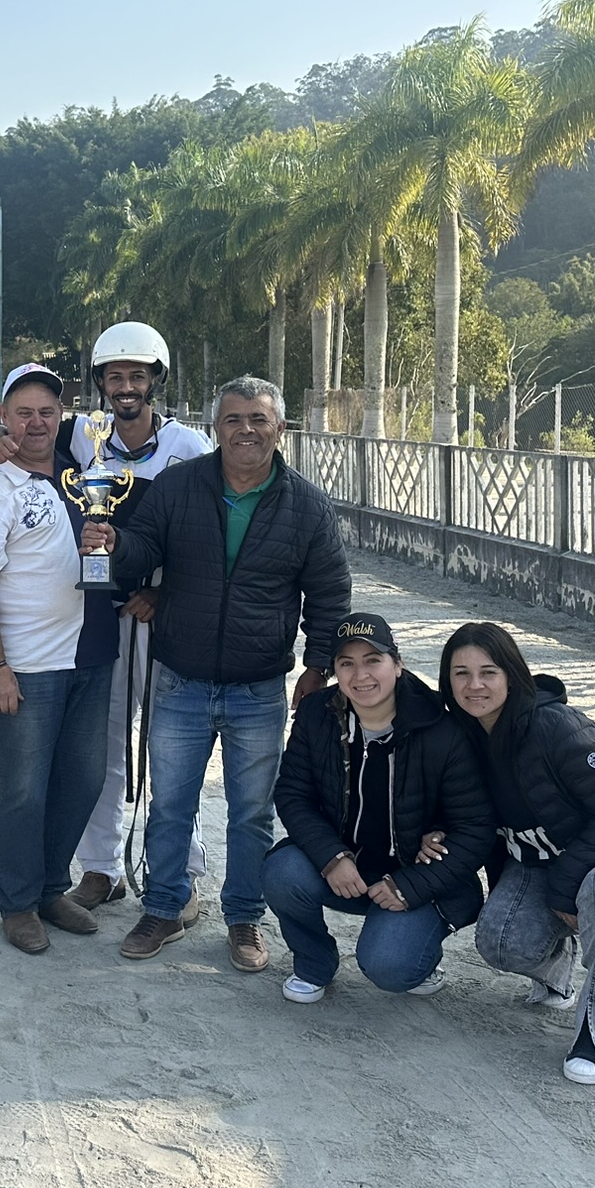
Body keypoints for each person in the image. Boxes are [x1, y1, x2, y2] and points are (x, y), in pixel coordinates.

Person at [85, 374, 350, 973]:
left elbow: (329, 593)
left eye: (258, 419)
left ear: (280, 428)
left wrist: (318, 666)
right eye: (233, 419)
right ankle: (162, 907)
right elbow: (144, 547)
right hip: (180, 679)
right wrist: (114, 542)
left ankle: (244, 917)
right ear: (216, 428)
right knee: (170, 806)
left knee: (251, 813)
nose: (245, 430)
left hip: (259, 688)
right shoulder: (178, 486)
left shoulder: (308, 506)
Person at [0, 323, 211, 913]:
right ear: (101, 384)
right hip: (100, 620)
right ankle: (101, 866)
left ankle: (181, 871)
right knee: (102, 751)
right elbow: (22, 430)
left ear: (155, 381)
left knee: (168, 747)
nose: (125, 387)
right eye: (115, 377)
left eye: (137, 376)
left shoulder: (189, 447)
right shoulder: (85, 436)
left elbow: (203, 536)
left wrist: (164, 592)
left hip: (161, 617)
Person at [438, 622, 595, 1085]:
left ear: (512, 675)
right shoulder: (461, 736)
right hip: (545, 866)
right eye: (461, 673)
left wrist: (563, 891)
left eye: (488, 672)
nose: (475, 685)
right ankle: (558, 969)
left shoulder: (556, 725)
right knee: (500, 941)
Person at [0, 364, 120, 954]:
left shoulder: (85, 474)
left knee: (81, 780)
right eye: (23, 413)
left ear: (62, 416)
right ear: (3, 417)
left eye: (46, 412)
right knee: (23, 790)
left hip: (91, 657)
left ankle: (53, 888)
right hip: (25, 667)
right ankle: (18, 902)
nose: (35, 423)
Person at [263, 613, 492, 1003]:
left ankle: (415, 951)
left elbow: (476, 828)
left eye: (373, 660)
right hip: (348, 867)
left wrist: (410, 885)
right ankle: (314, 963)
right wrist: (332, 857)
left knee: (390, 967)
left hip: (416, 875)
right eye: (346, 663)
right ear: (335, 670)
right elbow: (292, 793)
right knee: (281, 871)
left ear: (398, 664)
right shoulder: (317, 713)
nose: (361, 675)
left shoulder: (441, 727)